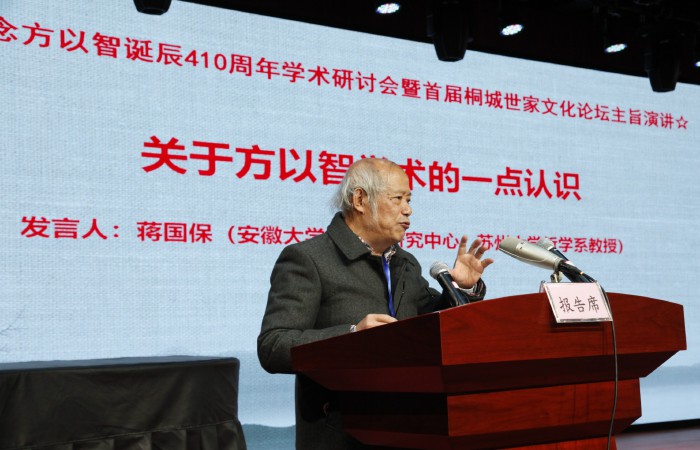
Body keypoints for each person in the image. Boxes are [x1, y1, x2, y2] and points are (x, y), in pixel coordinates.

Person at [257, 157, 493, 449]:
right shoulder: (309, 259)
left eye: (409, 200)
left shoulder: (405, 263)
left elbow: (430, 319)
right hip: (342, 435)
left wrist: (461, 288)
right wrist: (352, 337)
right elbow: (273, 346)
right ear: (360, 200)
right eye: (398, 199)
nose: (408, 209)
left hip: (412, 430)